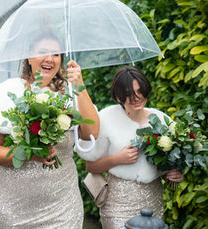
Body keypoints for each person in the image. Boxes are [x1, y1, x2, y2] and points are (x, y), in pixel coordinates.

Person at [0, 33, 100, 228]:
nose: (50, 58)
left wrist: (80, 86)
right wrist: (31, 155)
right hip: (14, 208)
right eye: (42, 52)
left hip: (63, 206)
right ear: (28, 58)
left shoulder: (69, 94)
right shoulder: (6, 93)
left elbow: (91, 133)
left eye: (56, 54)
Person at [77, 66, 183, 229]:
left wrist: (174, 174)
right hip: (118, 203)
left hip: (153, 201)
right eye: (129, 93)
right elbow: (91, 166)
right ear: (118, 95)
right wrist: (117, 159)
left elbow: (167, 165)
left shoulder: (162, 120)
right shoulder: (106, 118)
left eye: (140, 91)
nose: (136, 97)